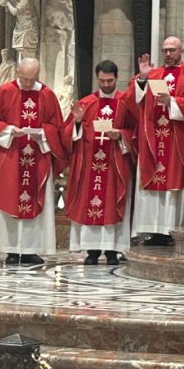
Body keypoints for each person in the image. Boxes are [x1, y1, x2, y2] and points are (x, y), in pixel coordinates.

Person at [0, 58, 65, 265]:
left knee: (34, 201)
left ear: (38, 75)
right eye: (24, 78)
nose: (27, 83)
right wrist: (10, 130)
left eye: (32, 79)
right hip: (10, 157)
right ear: (17, 73)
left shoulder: (47, 95)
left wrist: (43, 133)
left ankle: (30, 250)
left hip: (37, 158)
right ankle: (11, 250)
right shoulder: (5, 92)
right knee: (9, 198)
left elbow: (57, 127)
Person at [124, 36, 184, 246]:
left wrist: (173, 101)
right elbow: (130, 102)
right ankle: (153, 229)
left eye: (172, 50)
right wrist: (142, 79)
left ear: (181, 51)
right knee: (152, 180)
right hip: (152, 139)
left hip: (177, 140)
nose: (168, 54)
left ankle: (171, 230)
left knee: (173, 182)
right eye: (165, 50)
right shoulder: (153, 75)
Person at [63, 60, 136, 266]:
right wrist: (77, 122)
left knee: (113, 203)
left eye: (109, 81)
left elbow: (135, 131)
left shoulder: (125, 103)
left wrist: (120, 135)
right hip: (90, 165)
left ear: (116, 78)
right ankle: (92, 251)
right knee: (91, 203)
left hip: (114, 165)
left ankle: (113, 251)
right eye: (102, 81)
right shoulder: (86, 103)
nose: (105, 85)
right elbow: (66, 134)